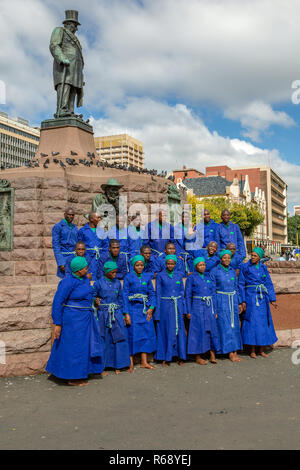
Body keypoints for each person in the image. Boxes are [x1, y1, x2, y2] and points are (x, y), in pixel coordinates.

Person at [46, 256, 103, 386]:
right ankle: (73, 377)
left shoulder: (85, 280)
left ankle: (84, 372)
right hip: (73, 320)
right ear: (77, 269)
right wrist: (58, 323)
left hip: (85, 319)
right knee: (74, 348)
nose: (87, 268)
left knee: (84, 347)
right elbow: (57, 302)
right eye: (84, 267)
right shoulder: (67, 282)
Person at [239, 247, 278, 358]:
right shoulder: (245, 267)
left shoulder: (263, 267)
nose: (252, 257)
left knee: (262, 323)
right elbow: (241, 284)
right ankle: (252, 350)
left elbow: (268, 283)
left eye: (255, 256)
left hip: (262, 299)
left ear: (260, 257)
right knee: (252, 323)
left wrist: (272, 299)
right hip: (251, 298)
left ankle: (261, 349)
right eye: (252, 255)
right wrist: (243, 300)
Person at [93, 261, 130, 374]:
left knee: (118, 338)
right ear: (106, 271)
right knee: (104, 339)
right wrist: (95, 300)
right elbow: (92, 295)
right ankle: (102, 367)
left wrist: (124, 313)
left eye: (115, 271)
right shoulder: (98, 283)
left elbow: (121, 298)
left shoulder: (118, 283)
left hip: (116, 313)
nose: (115, 273)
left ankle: (118, 365)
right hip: (103, 314)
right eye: (112, 272)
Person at [123, 255, 157, 372]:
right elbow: (125, 295)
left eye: (141, 265)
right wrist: (126, 313)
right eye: (137, 265)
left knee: (145, 334)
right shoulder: (128, 278)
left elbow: (152, 293)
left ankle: (144, 361)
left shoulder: (147, 277)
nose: (139, 267)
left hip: (144, 310)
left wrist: (151, 307)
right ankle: (130, 362)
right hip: (133, 309)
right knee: (132, 335)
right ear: (133, 266)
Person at [185, 257, 220, 364]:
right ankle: (198, 356)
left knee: (212, 329)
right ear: (195, 266)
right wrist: (188, 311)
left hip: (209, 307)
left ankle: (212, 354)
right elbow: (187, 295)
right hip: (197, 307)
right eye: (200, 265)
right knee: (197, 330)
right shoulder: (191, 278)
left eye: (204, 265)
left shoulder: (208, 276)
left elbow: (213, 294)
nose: (202, 267)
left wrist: (215, 310)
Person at [210, 250, 243, 362]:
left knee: (234, 326)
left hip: (232, 300)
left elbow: (236, 288)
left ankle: (235, 350)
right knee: (225, 326)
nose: (227, 260)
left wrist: (239, 302)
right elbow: (212, 291)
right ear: (220, 259)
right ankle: (229, 352)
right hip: (221, 301)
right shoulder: (215, 271)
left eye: (229, 258)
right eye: (225, 258)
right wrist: (214, 308)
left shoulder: (232, 271)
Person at [154, 254, 187, 366]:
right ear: (165, 264)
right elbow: (158, 293)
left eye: (172, 263)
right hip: (165, 306)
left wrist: (183, 308)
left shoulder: (179, 275)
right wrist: (157, 312)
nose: (170, 265)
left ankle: (180, 356)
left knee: (179, 330)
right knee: (166, 330)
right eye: (168, 263)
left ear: (175, 264)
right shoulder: (160, 276)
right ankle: (165, 357)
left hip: (177, 306)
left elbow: (182, 292)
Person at [77, 212, 108, 280]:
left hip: (99, 258)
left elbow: (106, 245)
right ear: (91, 219)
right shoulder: (82, 231)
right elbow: (79, 245)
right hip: (87, 258)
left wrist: (103, 256)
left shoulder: (102, 231)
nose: (100, 219)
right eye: (98, 217)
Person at [52, 207, 78, 279]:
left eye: (72, 215)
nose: (71, 216)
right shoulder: (58, 227)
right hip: (64, 257)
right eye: (69, 214)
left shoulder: (75, 227)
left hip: (74, 257)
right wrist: (60, 262)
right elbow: (56, 245)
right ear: (64, 214)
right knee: (65, 280)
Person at [173, 210, 196, 275]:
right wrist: (178, 255)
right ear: (181, 218)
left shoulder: (192, 227)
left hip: (190, 253)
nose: (185, 219)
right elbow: (175, 243)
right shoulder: (176, 228)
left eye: (187, 217)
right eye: (184, 217)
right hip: (180, 253)